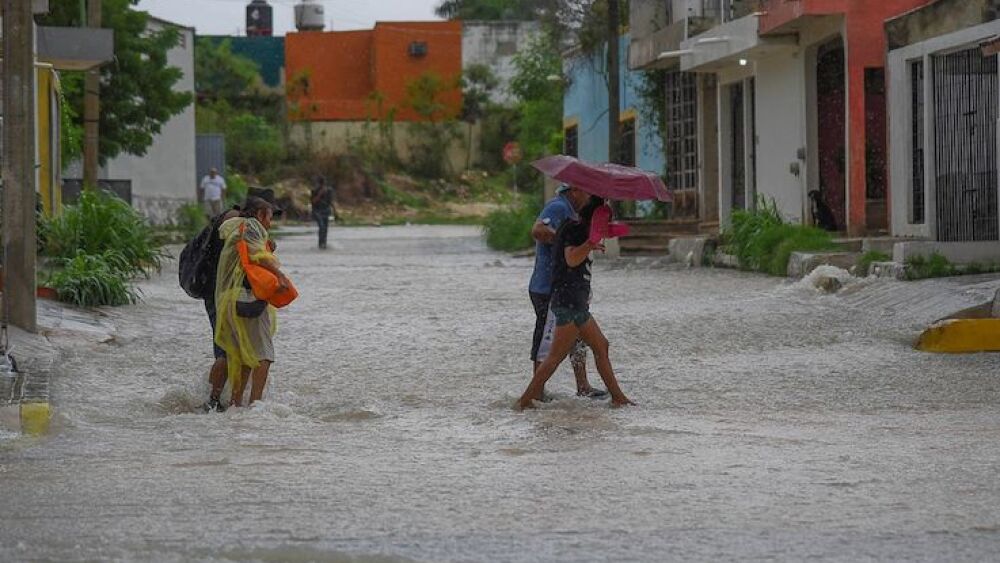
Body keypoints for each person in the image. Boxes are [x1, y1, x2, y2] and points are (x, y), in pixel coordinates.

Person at [518, 196, 634, 410]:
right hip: (569, 303)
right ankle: (524, 401)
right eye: (606, 221)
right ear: (596, 218)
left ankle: (618, 398)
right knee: (554, 357)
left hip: (577, 302)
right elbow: (571, 258)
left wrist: (594, 241)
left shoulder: (577, 229)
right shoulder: (576, 231)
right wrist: (589, 244)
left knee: (601, 345)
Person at [200, 189, 283, 412]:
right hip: (247, 298)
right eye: (270, 216)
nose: (271, 223)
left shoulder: (231, 225)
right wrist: (281, 276)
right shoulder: (252, 226)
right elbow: (257, 257)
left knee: (239, 354)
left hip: (226, 299)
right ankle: (255, 407)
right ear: (260, 214)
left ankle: (230, 405)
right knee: (264, 355)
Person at [528, 184, 607, 400]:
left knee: (578, 338)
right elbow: (537, 231)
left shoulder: (574, 215)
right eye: (587, 192)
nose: (589, 197)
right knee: (547, 341)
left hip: (569, 290)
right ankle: (535, 392)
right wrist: (566, 240)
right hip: (549, 288)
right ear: (573, 191)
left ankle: (583, 385)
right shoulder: (558, 207)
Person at [310, 175, 338, 249]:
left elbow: (331, 202)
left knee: (325, 228)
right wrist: (320, 194)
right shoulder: (314, 190)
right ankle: (320, 244)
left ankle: (323, 244)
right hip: (317, 211)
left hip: (326, 210)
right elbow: (313, 202)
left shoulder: (329, 190)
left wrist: (335, 212)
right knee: (321, 227)